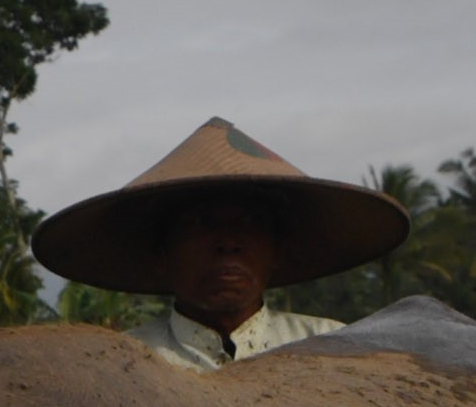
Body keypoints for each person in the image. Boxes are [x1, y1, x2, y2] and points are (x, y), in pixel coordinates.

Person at [31, 118, 410, 371]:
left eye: (250, 224)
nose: (228, 242)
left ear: (276, 252)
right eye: (201, 225)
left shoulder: (338, 350)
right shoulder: (124, 365)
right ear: (162, 255)